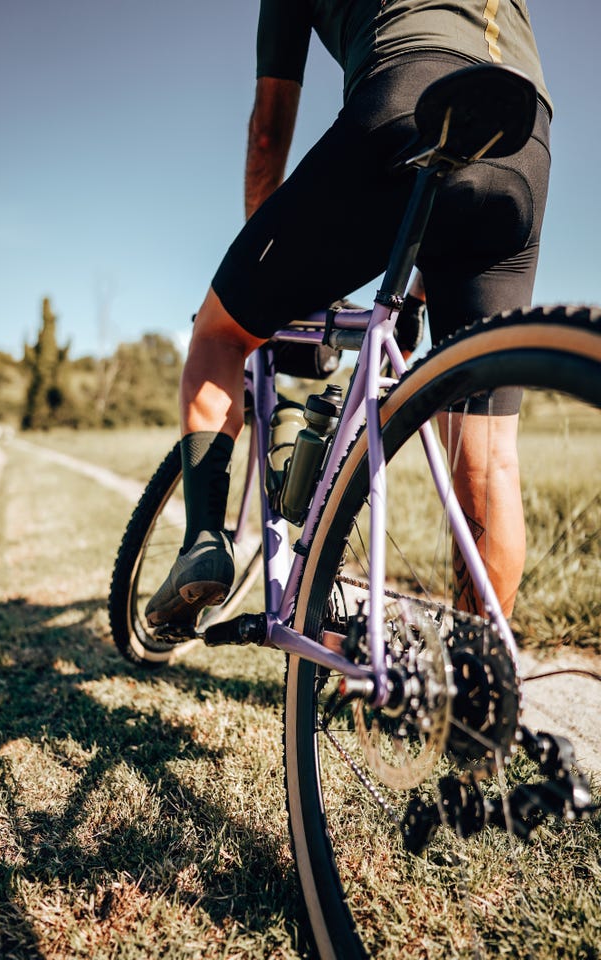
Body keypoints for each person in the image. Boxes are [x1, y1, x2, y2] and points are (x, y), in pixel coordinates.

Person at [146, 0, 552, 633]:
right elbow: (460, 178)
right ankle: (475, 692)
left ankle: (204, 541)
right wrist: (420, 295)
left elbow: (266, 132)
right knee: (490, 458)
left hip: (406, 95)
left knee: (219, 336)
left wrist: (266, 282)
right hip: (522, 134)